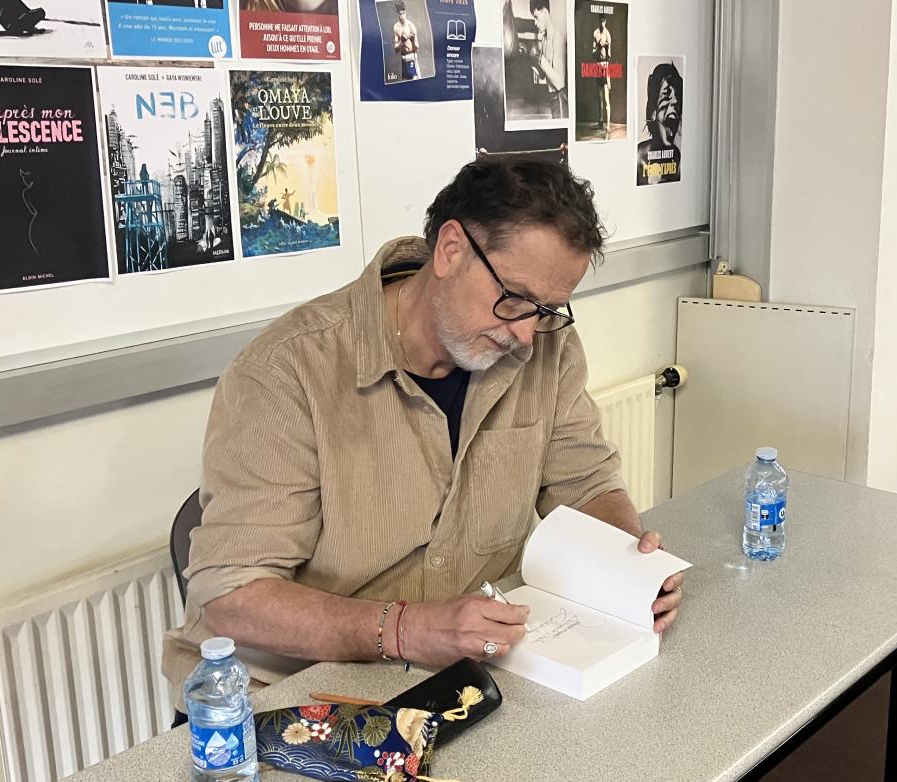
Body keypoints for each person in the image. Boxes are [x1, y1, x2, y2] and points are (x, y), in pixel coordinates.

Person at [162, 158, 684, 706]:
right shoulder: (285, 371)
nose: (527, 335)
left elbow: (585, 483)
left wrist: (630, 568)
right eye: (514, 298)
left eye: (548, 310)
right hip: (289, 696)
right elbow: (234, 596)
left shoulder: (544, 343)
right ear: (451, 249)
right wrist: (407, 630)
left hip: (463, 674)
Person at [636, 62, 682, 185]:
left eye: (678, 97)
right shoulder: (638, 156)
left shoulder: (677, 157)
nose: (675, 102)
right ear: (653, 112)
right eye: (667, 95)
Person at [530, 0, 567, 118]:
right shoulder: (544, 40)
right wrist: (531, 60)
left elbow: (559, 82)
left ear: (545, 12)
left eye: (536, 17)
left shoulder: (557, 38)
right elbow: (543, 76)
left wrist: (540, 59)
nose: (535, 22)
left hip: (560, 98)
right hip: (552, 98)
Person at [591, 16, 612, 138]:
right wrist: (598, 46)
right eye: (600, 21)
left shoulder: (608, 35)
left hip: (605, 66)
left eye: (603, 21)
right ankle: (600, 121)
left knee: (606, 98)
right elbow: (593, 54)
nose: (602, 23)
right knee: (599, 98)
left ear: (605, 22)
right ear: (598, 21)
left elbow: (608, 57)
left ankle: (608, 125)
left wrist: (608, 78)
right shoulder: (595, 33)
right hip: (598, 66)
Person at [393, 2, 420, 81]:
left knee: (416, 83)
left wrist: (413, 41)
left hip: (412, 58)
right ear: (398, 13)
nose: (402, 16)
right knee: (404, 84)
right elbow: (396, 50)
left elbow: (417, 49)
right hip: (403, 61)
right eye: (400, 14)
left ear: (406, 12)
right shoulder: (396, 27)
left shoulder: (411, 26)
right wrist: (401, 42)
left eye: (403, 13)